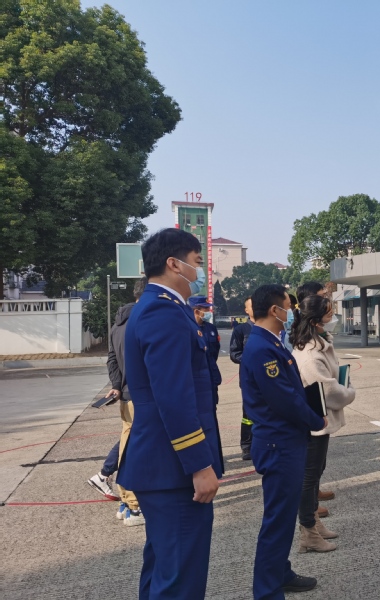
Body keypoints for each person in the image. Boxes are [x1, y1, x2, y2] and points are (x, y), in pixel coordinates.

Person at [117, 228, 222, 600]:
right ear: (174, 264)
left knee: (165, 568)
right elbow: (174, 398)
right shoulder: (164, 311)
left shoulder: (162, 307)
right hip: (173, 469)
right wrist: (199, 464)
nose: (201, 271)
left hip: (164, 465)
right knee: (179, 580)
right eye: (196, 262)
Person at [240, 284, 326, 599]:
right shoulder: (262, 348)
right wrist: (316, 420)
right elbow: (284, 400)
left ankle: (280, 572)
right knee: (277, 520)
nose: (292, 312)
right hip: (278, 444)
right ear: (275, 310)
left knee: (284, 517)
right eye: (288, 306)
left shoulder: (270, 342)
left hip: (284, 441)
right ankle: (267, 590)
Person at [290, 293, 355, 553]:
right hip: (315, 421)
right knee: (309, 476)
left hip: (320, 420)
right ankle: (308, 532)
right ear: (315, 320)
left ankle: (314, 522)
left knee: (317, 470)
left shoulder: (319, 342)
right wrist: (349, 392)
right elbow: (327, 390)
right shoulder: (310, 353)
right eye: (329, 314)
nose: (333, 318)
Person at [88, 277, 149, 529]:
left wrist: (116, 384)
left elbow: (112, 359)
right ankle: (133, 505)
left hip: (126, 394)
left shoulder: (118, 324)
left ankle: (125, 502)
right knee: (135, 450)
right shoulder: (143, 321)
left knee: (127, 445)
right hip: (141, 396)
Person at [294, 281, 336, 507]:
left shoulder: (319, 337)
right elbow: (321, 385)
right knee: (310, 467)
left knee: (318, 463)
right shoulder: (307, 347)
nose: (326, 301)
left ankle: (312, 497)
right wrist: (346, 391)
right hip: (313, 411)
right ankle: (309, 515)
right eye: (322, 297)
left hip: (320, 412)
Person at [189, 296, 225, 472]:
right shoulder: (188, 328)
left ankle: (213, 459)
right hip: (196, 385)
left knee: (211, 419)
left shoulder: (210, 329)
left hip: (211, 380)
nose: (209, 312)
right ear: (196, 310)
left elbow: (214, 353)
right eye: (206, 309)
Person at [230, 296, 254, 460]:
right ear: (246, 310)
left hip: (268, 376)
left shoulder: (268, 327)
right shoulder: (241, 330)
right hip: (249, 378)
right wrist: (253, 359)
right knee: (248, 415)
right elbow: (234, 354)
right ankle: (247, 446)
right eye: (252, 306)